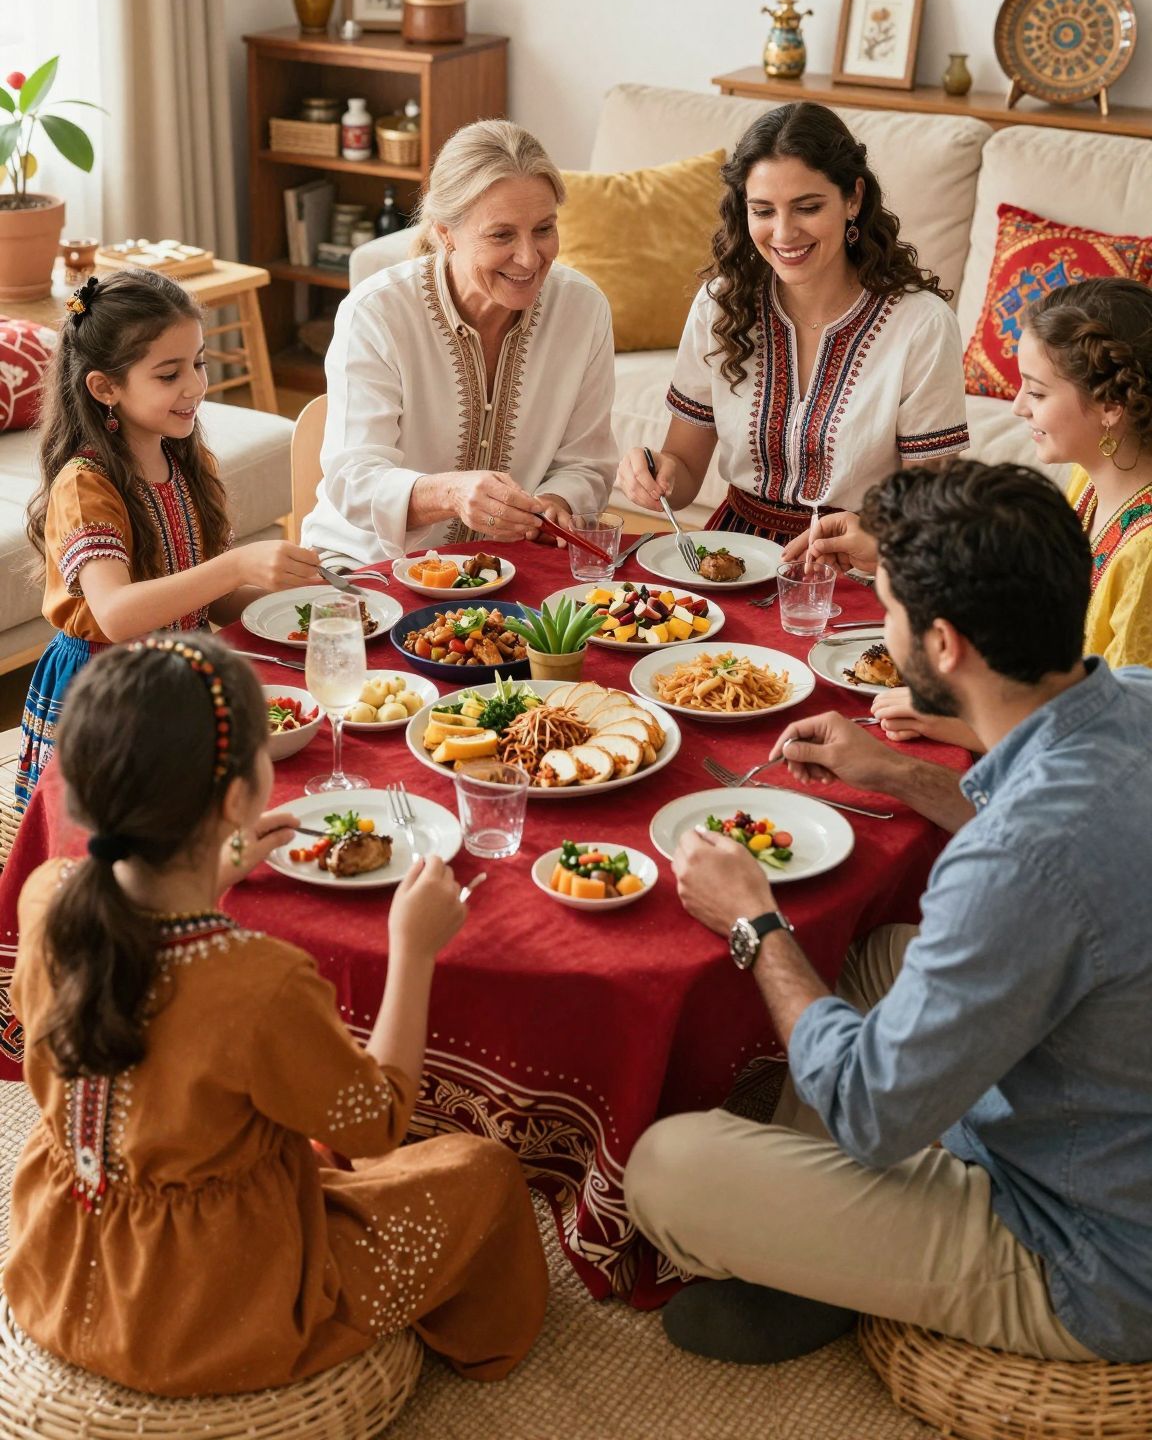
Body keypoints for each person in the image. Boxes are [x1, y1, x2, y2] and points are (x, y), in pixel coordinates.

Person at [624, 462, 1152, 1368]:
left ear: (942, 645)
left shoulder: (1014, 860)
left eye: (886, 607)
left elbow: (871, 1113)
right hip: (1102, 1110)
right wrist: (904, 774)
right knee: (872, 955)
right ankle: (822, 1247)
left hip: (1091, 1252)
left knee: (667, 1168)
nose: (881, 623)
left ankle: (823, 1256)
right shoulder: (1135, 697)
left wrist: (755, 924)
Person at [3, 636, 548, 1393]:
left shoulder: (49, 895)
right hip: (214, 1307)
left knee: (310, 1137)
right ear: (235, 798)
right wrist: (412, 951)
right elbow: (380, 1122)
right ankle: (475, 1345)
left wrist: (209, 877)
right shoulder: (256, 983)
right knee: (482, 1171)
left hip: (55, 1263)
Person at [19, 269, 322, 808]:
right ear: (105, 387)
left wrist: (296, 598)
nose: (196, 386)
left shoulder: (186, 461)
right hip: (108, 689)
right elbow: (114, 614)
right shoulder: (86, 486)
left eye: (199, 363)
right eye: (168, 374)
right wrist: (237, 565)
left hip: (179, 675)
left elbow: (219, 600)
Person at [810, 276, 1152, 751]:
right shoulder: (1092, 481)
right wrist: (894, 552)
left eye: (1036, 392)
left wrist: (969, 727)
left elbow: (1123, 744)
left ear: (1111, 404)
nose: (1016, 408)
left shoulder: (1146, 557)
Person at [615, 103, 967, 543]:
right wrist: (656, 473)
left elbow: (928, 511)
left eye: (807, 207)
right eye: (763, 211)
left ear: (853, 198)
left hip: (855, 563)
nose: (783, 234)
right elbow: (682, 474)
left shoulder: (920, 325)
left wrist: (877, 539)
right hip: (734, 552)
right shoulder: (720, 305)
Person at [303, 119, 617, 563]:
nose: (530, 258)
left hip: (502, 570)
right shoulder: (377, 313)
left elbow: (587, 462)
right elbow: (353, 478)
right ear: (445, 233)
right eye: (501, 235)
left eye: (544, 229)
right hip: (366, 567)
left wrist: (557, 503)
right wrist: (448, 493)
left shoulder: (583, 310)